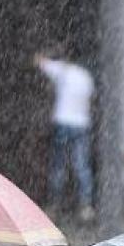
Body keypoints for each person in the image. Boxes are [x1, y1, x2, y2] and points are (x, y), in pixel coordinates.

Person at [35, 46, 95, 221]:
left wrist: (47, 53)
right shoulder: (86, 77)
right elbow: (91, 100)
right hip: (82, 123)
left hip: (63, 122)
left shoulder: (62, 71)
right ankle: (85, 205)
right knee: (81, 165)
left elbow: (38, 61)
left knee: (58, 165)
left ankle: (55, 204)